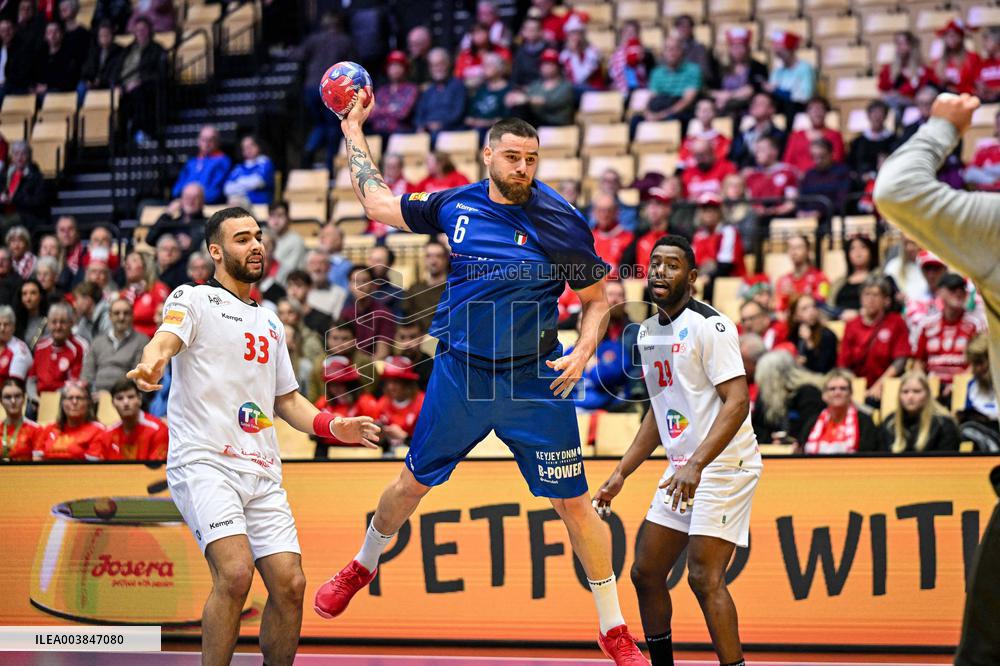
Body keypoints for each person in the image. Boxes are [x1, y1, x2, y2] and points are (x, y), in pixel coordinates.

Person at [315, 101, 648, 663]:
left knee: (574, 505)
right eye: (513, 157)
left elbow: (596, 301)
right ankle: (362, 564)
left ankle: (613, 627)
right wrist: (352, 129)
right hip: (461, 373)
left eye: (531, 159)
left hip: (533, 380)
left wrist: (583, 352)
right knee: (410, 485)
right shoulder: (455, 204)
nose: (523, 168)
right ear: (488, 155)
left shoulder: (559, 219)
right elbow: (376, 202)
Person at [127, 206, 380, 666]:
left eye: (258, 236)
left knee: (291, 584)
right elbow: (165, 339)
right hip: (204, 461)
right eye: (242, 239)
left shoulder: (270, 322)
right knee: (236, 573)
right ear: (216, 251)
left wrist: (333, 426)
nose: (256, 245)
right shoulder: (194, 298)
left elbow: (287, 400)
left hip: (261, 470)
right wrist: (152, 362)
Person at [593, 235, 757, 666]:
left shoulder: (711, 326)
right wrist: (622, 472)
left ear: (693, 276)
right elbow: (660, 408)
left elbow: (738, 402)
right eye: (655, 263)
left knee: (704, 577)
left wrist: (697, 464)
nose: (661, 271)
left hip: (725, 463)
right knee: (646, 573)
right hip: (685, 467)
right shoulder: (648, 332)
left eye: (672, 264)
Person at [837, 275, 912, 403]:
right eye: (867, 294)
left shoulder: (896, 322)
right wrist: (858, 388)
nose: (871, 299)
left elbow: (900, 361)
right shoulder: (852, 325)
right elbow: (843, 365)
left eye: (876, 295)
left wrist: (879, 385)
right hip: (856, 387)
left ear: (886, 300)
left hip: (887, 387)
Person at [914, 272, 985, 394]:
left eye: (962, 289)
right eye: (953, 289)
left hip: (964, 388)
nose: (958, 293)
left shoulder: (975, 324)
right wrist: (924, 385)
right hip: (931, 388)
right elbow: (918, 362)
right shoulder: (927, 324)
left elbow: (979, 362)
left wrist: (959, 385)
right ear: (939, 292)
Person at [751, 349, 824, 445]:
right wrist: (770, 440)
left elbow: (811, 428)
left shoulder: (809, 393)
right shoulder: (765, 397)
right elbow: (757, 428)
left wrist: (791, 440)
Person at [312, 355, 379, 458]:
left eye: (340, 383)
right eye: (332, 384)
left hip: (359, 453)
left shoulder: (366, 402)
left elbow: (375, 433)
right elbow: (312, 433)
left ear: (350, 383)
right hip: (328, 452)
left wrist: (349, 425)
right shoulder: (323, 403)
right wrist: (329, 425)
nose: (335, 388)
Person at [799, 369, 879, 454]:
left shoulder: (864, 422)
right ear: (824, 395)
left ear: (850, 394)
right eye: (832, 389)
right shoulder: (812, 423)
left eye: (843, 389)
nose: (837, 393)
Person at [879, 370, 960, 452]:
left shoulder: (943, 424)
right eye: (905, 392)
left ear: (927, 394)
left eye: (916, 391)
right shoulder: (890, 423)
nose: (910, 397)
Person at [88, 378, 168, 460]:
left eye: (131, 397)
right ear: (113, 403)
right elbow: (92, 462)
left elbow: (156, 466)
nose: (125, 402)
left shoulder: (158, 430)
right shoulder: (108, 433)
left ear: (139, 399)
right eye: (120, 398)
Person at [82, 297, 147, 392]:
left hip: (125, 394)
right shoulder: (97, 341)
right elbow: (87, 374)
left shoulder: (142, 341)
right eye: (117, 313)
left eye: (126, 313)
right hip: (97, 394)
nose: (121, 318)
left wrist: (113, 395)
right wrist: (90, 393)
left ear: (132, 316)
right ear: (110, 316)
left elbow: (136, 376)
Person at [35, 380, 105, 460]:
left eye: (79, 398)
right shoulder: (49, 429)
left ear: (88, 403)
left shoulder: (97, 431)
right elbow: (37, 459)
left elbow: (93, 465)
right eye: (70, 398)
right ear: (62, 403)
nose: (74, 402)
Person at [507, 48, 575, 127]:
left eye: (551, 63)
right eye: (544, 64)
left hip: (558, 124)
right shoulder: (536, 85)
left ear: (558, 66)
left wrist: (526, 99)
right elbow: (526, 95)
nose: (547, 67)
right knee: (518, 109)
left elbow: (551, 102)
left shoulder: (566, 86)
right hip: (538, 122)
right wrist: (514, 97)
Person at [710, 27, 768, 116]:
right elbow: (711, 90)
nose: (738, 51)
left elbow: (751, 89)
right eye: (734, 47)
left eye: (741, 47)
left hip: (747, 108)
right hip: (722, 107)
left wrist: (729, 96)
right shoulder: (721, 67)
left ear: (747, 48)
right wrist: (720, 96)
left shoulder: (758, 66)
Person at [31, 302, 87, 394]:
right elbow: (32, 379)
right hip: (38, 398)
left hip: (66, 397)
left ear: (71, 323)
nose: (58, 326)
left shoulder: (80, 347)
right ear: (48, 324)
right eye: (54, 322)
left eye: (63, 322)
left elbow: (77, 383)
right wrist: (34, 397)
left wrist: (53, 397)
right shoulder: (40, 346)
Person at [414, 48, 467, 141]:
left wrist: (440, 124)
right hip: (428, 132)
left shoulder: (458, 87)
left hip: (451, 132)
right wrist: (421, 126)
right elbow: (419, 115)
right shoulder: (428, 91)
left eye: (441, 64)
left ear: (448, 64)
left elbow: (458, 114)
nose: (437, 69)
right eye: (434, 65)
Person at [877, 31, 936, 114]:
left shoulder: (922, 70)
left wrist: (904, 95)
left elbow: (926, 90)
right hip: (895, 105)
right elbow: (882, 90)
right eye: (898, 44)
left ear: (911, 46)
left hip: (916, 106)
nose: (900, 47)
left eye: (903, 43)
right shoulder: (889, 69)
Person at [782, 96, 844, 174]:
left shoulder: (834, 135)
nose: (817, 113)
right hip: (798, 177)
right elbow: (788, 161)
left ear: (826, 112)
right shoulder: (796, 136)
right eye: (813, 109)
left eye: (821, 109)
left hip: (825, 176)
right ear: (807, 113)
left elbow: (837, 159)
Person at [172, 125, 231, 205]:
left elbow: (215, 192)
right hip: (185, 204)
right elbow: (176, 190)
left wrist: (192, 198)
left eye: (210, 140)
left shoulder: (222, 161)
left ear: (217, 142)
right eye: (203, 139)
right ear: (199, 141)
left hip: (208, 205)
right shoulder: (191, 162)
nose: (206, 143)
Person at [368, 50, 419, 138]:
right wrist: (391, 109)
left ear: (405, 68)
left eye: (399, 65)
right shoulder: (382, 91)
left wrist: (380, 110)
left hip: (399, 133)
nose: (395, 69)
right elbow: (370, 115)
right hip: (378, 132)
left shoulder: (411, 89)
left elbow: (402, 113)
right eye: (392, 65)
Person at [119, 251, 168, 338]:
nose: (127, 265)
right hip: (127, 341)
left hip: (153, 340)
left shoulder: (158, 289)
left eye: (134, 260)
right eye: (126, 262)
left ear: (145, 266)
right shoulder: (123, 294)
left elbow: (164, 319)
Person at [847, 100, 896, 183]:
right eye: (874, 113)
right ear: (868, 115)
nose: (877, 117)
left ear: (885, 116)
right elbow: (851, 165)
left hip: (885, 180)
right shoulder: (858, 141)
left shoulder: (893, 140)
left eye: (880, 113)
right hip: (861, 182)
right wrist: (860, 176)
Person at [787, 293, 837, 373]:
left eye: (813, 306)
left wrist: (809, 342)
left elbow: (821, 368)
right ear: (795, 316)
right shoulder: (792, 334)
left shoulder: (827, 335)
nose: (811, 312)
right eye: (804, 309)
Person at [830, 235, 878, 319]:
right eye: (853, 248)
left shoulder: (879, 278)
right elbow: (830, 306)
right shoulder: (839, 282)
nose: (858, 252)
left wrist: (858, 314)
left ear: (871, 252)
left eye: (863, 247)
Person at [223, 135, 275, 205]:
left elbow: (258, 182)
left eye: (251, 146)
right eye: (245, 147)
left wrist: (239, 182)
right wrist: (247, 186)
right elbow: (227, 188)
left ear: (258, 146)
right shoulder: (239, 168)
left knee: (235, 201)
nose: (248, 149)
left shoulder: (265, 162)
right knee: (233, 201)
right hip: (241, 201)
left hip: (261, 203)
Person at [932, 21, 980, 95]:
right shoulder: (938, 61)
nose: (951, 38)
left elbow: (977, 82)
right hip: (945, 95)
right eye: (948, 35)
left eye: (954, 35)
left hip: (965, 95)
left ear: (961, 37)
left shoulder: (972, 58)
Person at [0, 377, 42, 460]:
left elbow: (38, 462)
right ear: (1, 401)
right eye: (8, 397)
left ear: (24, 399)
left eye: (17, 396)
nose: (13, 401)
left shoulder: (36, 430)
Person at [964, 108, 1000, 192]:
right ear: (996, 126)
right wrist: (993, 181)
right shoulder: (986, 148)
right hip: (987, 193)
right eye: (999, 124)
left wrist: (987, 169)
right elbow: (969, 174)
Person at [0, 305, 31, 382]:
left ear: (13, 327)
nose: (2, 328)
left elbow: (14, 384)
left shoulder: (19, 349)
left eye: (6, 324)